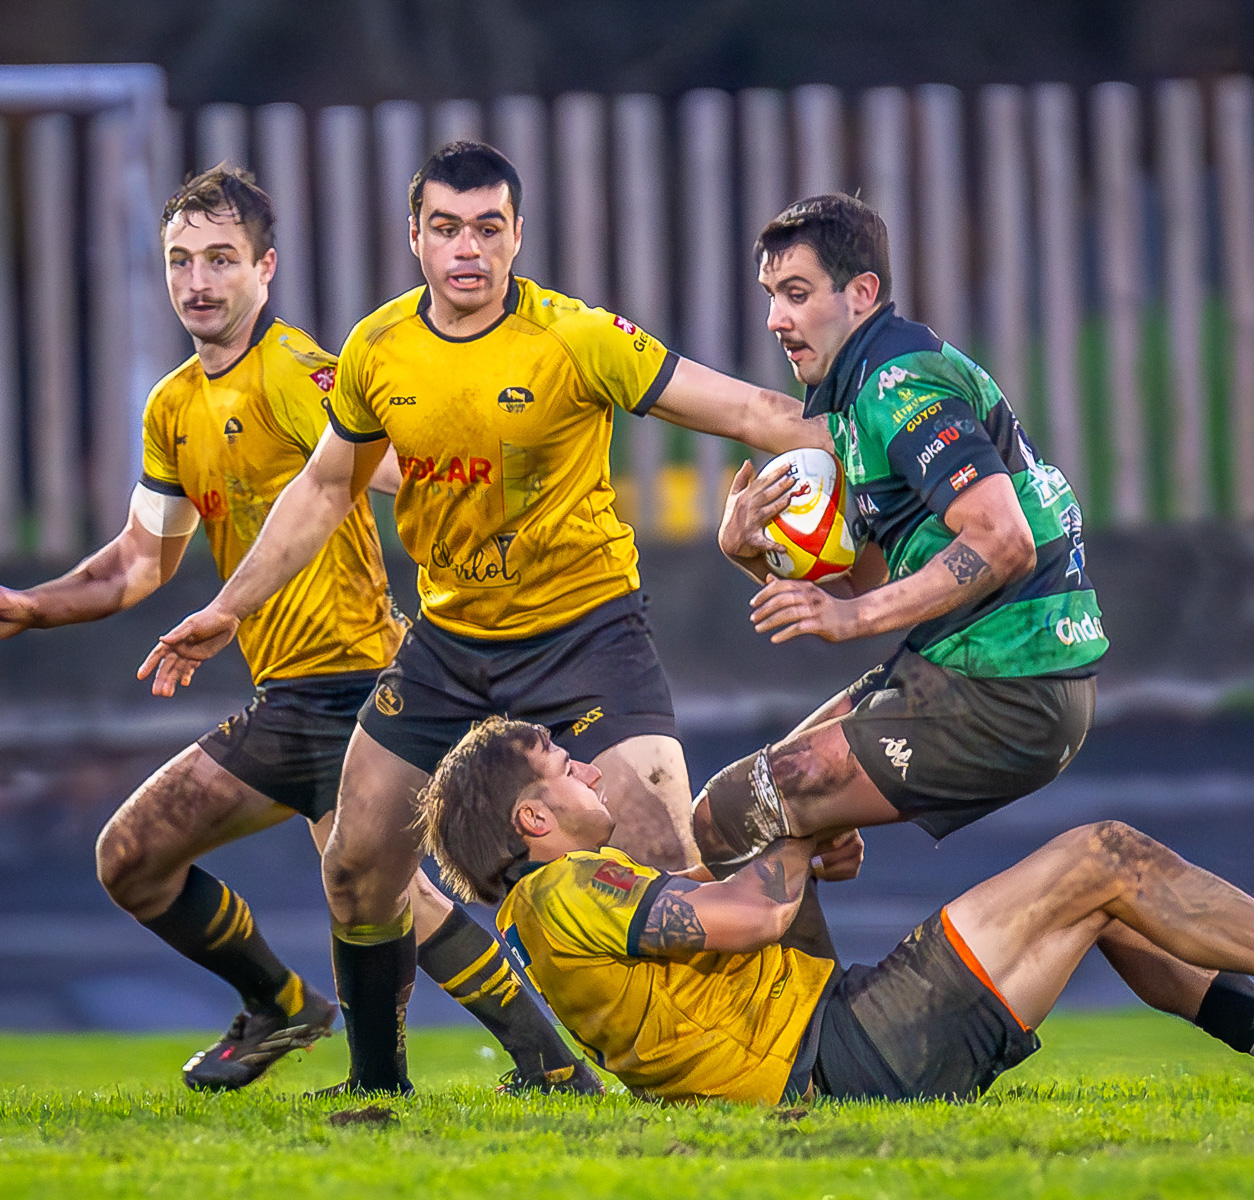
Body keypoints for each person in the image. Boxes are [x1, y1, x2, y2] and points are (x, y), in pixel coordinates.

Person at [136, 143, 829, 1095]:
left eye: (489, 229)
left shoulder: (576, 339)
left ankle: (767, 1066)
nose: (469, 249)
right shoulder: (377, 350)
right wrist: (226, 608)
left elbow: (752, 410)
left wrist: (899, 427)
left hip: (586, 637)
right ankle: (377, 1088)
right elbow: (327, 485)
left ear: (516, 237)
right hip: (449, 647)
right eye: (448, 229)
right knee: (356, 866)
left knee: (665, 857)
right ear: (415, 237)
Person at [0, 166, 595, 1094]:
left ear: (265, 269)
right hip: (284, 697)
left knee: (384, 893)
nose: (199, 281)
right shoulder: (173, 406)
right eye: (181, 261)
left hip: (362, 682)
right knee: (137, 861)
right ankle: (294, 1009)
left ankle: (526, 1066)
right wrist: (32, 605)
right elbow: (140, 558)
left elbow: (411, 471)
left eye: (221, 259)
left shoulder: (299, 373)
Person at [419, 716, 1254, 1104]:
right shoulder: (567, 889)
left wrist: (797, 851)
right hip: (847, 1057)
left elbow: (732, 910)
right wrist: (791, 817)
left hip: (839, 1050)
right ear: (533, 818)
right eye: (559, 765)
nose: (581, 767)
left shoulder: (556, 913)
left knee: (1107, 904)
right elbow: (746, 918)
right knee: (1101, 857)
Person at [695, 193, 1108, 875]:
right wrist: (749, 555)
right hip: (971, 663)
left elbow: (1003, 541)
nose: (776, 319)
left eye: (796, 294)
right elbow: (874, 580)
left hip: (1009, 684)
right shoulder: (863, 390)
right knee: (757, 825)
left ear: (862, 293)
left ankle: (806, 989)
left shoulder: (896, 385)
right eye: (771, 296)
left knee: (732, 817)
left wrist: (851, 617)